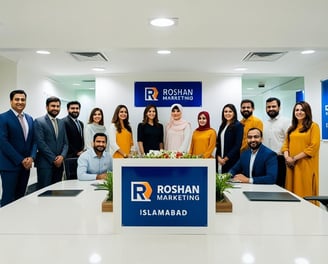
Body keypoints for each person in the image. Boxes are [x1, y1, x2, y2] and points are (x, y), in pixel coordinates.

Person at [0, 90, 37, 206]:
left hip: (26, 166)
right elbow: (3, 142)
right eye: (17, 99)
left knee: (21, 197)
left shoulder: (29, 118)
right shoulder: (3, 118)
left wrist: (31, 157)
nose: (20, 102)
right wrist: (21, 160)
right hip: (10, 166)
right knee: (8, 197)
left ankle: (18, 222)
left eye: (23, 99)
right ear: (11, 101)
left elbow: (34, 141)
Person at [281, 101, 320, 201]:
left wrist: (294, 158)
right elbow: (285, 146)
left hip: (306, 165)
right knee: (291, 192)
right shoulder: (291, 128)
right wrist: (288, 158)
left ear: (307, 111)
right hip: (291, 165)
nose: (299, 112)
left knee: (305, 193)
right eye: (297, 110)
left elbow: (313, 147)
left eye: (302, 110)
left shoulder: (313, 126)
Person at [34, 96, 68, 189]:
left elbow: (66, 143)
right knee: (44, 192)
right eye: (53, 106)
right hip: (45, 164)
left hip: (59, 164)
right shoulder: (39, 121)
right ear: (47, 107)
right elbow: (40, 143)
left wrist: (62, 156)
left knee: (57, 191)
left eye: (58, 106)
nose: (56, 108)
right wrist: (54, 159)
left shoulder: (61, 122)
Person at [263, 97, 290, 187]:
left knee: (279, 185)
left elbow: (289, 141)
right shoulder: (264, 123)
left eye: (273, 106)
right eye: (268, 107)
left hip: (280, 159)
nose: (271, 109)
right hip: (266, 159)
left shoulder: (286, 122)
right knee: (267, 185)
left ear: (279, 107)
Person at [216, 104, 243, 173]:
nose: (227, 113)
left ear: (234, 113)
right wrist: (218, 156)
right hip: (220, 160)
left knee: (230, 181)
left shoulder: (238, 125)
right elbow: (218, 143)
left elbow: (237, 145)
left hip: (231, 160)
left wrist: (225, 159)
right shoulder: (222, 125)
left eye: (230, 111)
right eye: (225, 111)